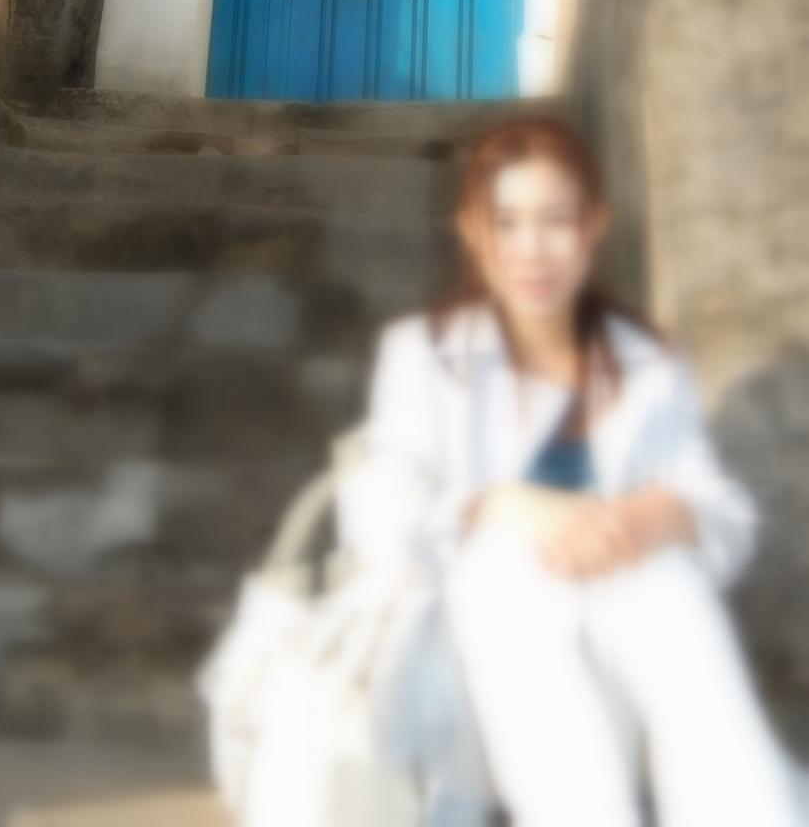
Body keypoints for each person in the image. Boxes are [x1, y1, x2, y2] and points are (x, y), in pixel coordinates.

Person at [340, 113, 808, 827]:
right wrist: (500, 505)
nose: (532, 250)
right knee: (507, 564)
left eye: (556, 221)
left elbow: (718, 509)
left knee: (665, 574)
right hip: (473, 646)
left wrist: (665, 512)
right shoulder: (425, 354)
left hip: (625, 628)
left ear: (594, 226)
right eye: (507, 223)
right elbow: (378, 511)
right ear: (472, 232)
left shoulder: (647, 361)